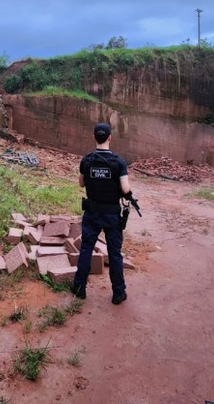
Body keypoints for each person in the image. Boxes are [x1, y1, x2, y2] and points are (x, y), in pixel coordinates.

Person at [70, 122, 134, 305]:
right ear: (109, 138)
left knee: (86, 249)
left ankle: (79, 288)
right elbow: (125, 188)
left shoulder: (86, 160)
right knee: (114, 253)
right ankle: (118, 293)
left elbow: (81, 184)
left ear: (94, 138)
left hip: (91, 213)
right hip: (112, 215)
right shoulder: (119, 162)